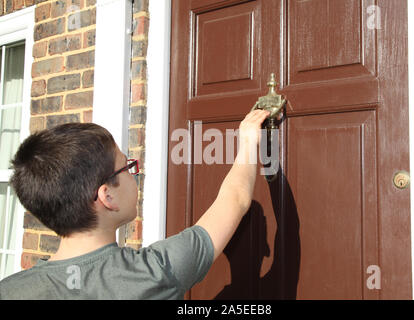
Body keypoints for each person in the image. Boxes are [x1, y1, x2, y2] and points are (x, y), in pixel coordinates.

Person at [0, 109, 270, 299]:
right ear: (107, 196)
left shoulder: (10, 291)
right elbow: (235, 199)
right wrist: (247, 141)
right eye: (127, 167)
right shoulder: (155, 273)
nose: (135, 174)